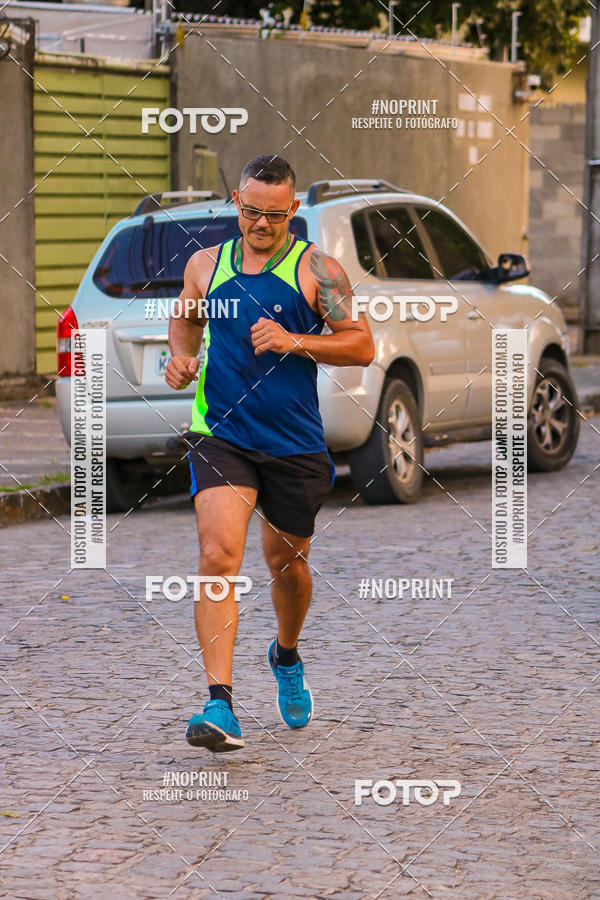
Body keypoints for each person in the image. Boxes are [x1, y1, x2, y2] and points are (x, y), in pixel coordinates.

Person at [166, 154, 374, 752]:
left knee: (287, 566)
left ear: (293, 210)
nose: (261, 223)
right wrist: (179, 359)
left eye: (274, 215)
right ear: (237, 201)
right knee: (217, 554)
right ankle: (220, 704)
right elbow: (185, 325)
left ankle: (286, 654)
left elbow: (360, 345)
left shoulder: (317, 270)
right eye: (251, 211)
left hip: (293, 443)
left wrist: (294, 340)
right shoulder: (206, 265)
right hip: (220, 434)